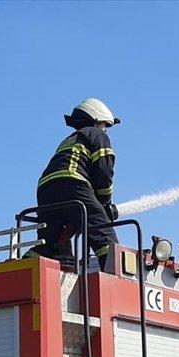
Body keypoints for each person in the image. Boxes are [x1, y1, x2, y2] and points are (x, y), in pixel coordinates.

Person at [34, 98, 120, 266]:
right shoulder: (96, 134)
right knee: (103, 234)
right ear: (96, 120)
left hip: (46, 190)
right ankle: (113, 270)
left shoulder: (71, 139)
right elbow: (104, 171)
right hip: (72, 184)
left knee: (50, 241)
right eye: (105, 125)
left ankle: (46, 262)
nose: (105, 131)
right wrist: (105, 204)